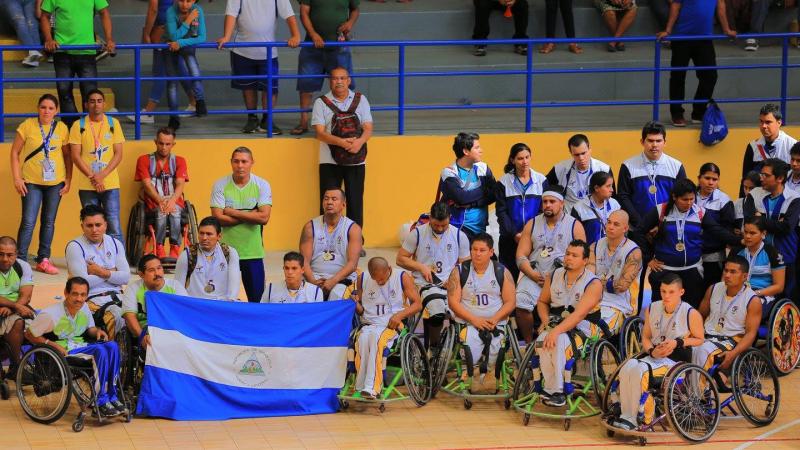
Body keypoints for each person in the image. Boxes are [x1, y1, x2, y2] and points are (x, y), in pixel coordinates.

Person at [609, 273, 704, 430]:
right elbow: (645, 337)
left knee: (640, 369)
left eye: (671, 292)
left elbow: (700, 339)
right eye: (663, 291)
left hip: (676, 362)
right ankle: (625, 414)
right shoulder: (652, 308)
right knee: (629, 365)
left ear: (681, 292)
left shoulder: (690, 313)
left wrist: (677, 342)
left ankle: (639, 417)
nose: (666, 296)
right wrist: (651, 351)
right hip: (654, 357)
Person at [26, 276, 126, 417]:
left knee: (112, 346)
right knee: (99, 351)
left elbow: (89, 328)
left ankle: (112, 395)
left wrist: (97, 331)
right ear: (66, 293)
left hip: (81, 346)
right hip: (65, 351)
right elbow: (29, 334)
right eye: (75, 294)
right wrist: (51, 344)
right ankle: (100, 400)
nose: (79, 299)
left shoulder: (84, 307)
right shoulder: (50, 315)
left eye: (83, 295)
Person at [633, 179, 739, 309]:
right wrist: (648, 258)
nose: (689, 203)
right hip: (665, 270)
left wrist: (739, 241)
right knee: (660, 308)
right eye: (684, 199)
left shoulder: (700, 212)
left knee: (690, 309)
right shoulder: (660, 210)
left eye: (692, 199)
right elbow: (638, 232)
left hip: (692, 271)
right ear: (674, 197)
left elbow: (717, 231)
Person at [533, 240, 602, 407]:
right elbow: (542, 302)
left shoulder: (593, 283)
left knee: (560, 340)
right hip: (558, 322)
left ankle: (558, 390)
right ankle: (550, 388)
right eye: (567, 254)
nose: (568, 258)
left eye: (574, 255)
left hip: (586, 326)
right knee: (542, 340)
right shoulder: (554, 275)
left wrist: (555, 332)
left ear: (585, 260)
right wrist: (545, 321)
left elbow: (578, 315)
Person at [217, 0, 300, 134]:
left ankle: (267, 120)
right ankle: (252, 118)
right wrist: (226, 37)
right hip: (242, 49)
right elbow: (231, 14)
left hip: (268, 52)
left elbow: (289, 14)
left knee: (270, 88)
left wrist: (296, 35)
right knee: (248, 87)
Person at [515, 187, 586, 344]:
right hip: (536, 276)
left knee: (565, 310)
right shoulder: (532, 224)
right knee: (520, 303)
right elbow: (520, 256)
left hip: (561, 278)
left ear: (561, 203)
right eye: (545, 202)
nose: (547, 205)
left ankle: (563, 341)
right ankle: (529, 343)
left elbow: (582, 258)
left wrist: (561, 273)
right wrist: (531, 274)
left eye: (552, 202)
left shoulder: (575, 225)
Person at [11, 94, 72, 274]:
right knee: (28, 221)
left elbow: (68, 156)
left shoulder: (61, 128)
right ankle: (20, 261)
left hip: (55, 183)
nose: (46, 111)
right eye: (43, 107)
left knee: (48, 222)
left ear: (56, 111)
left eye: (51, 108)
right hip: (31, 182)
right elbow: (15, 153)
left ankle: (43, 259)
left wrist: (68, 179)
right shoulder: (27, 126)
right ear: (38, 108)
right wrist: (17, 178)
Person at [396, 201, 469, 348]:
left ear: (450, 217)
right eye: (436, 225)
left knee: (466, 308)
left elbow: (466, 266)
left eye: (444, 225)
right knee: (436, 310)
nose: (440, 228)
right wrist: (420, 266)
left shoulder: (459, 235)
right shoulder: (417, 233)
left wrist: (455, 279)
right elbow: (400, 259)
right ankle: (434, 347)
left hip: (451, 283)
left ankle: (460, 344)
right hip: (424, 283)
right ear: (430, 218)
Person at [446, 233, 515, 385]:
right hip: (468, 323)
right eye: (474, 249)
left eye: (482, 250)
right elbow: (453, 302)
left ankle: (485, 373)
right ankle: (474, 372)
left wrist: (495, 319)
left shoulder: (502, 271)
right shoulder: (459, 271)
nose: (477, 253)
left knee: (496, 349)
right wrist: (474, 320)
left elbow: (510, 302)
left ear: (491, 252)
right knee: (471, 347)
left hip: (495, 323)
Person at [656, 0, 736, 127]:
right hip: (682, 37)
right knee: (678, 77)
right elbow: (675, 5)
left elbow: (720, 6)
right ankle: (677, 114)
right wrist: (668, 31)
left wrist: (726, 29)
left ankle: (699, 112)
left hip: (705, 38)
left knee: (710, 76)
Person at [311, 67, 372, 233]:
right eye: (335, 78)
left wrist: (359, 142)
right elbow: (319, 133)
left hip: (357, 160)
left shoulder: (361, 99)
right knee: (328, 202)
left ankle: (356, 241)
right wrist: (343, 143)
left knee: (355, 202)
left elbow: (368, 128)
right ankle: (324, 238)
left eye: (342, 78)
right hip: (329, 161)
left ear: (349, 80)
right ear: (330, 81)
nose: (339, 82)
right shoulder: (320, 102)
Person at [352, 257, 421, 399]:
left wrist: (400, 315)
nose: (379, 282)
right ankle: (361, 385)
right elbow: (360, 310)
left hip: (391, 325)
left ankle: (373, 387)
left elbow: (417, 304)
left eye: (382, 279)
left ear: (389, 269)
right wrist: (355, 304)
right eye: (376, 279)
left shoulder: (402, 277)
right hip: (369, 324)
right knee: (363, 341)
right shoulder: (362, 278)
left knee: (376, 341)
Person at [40, 0, 115, 128]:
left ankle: (89, 129)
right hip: (62, 52)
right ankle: (73, 129)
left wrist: (109, 39)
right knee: (64, 92)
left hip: (86, 51)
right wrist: (49, 39)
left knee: (90, 93)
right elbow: (44, 16)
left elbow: (105, 13)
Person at [210, 147, 272, 302]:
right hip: (225, 253)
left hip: (253, 253)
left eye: (244, 161)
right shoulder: (220, 184)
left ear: (252, 163)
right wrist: (252, 214)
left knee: (256, 301)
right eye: (236, 161)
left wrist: (232, 212)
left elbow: (264, 217)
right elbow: (218, 218)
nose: (240, 165)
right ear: (231, 163)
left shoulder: (262, 185)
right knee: (223, 299)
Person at [293, 0, 360, 136]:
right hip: (312, 46)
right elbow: (304, 12)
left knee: (343, 84)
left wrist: (349, 23)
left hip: (339, 46)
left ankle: (346, 121)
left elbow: (355, 9)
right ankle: (304, 122)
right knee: (306, 86)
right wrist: (313, 34)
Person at [69, 89, 125, 245]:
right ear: (86, 104)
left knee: (113, 224)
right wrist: (93, 177)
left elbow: (118, 154)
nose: (96, 104)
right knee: (91, 226)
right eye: (92, 101)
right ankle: (93, 259)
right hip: (87, 185)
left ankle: (118, 263)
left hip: (111, 184)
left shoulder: (113, 123)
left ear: (104, 103)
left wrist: (102, 175)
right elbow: (75, 156)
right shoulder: (78, 125)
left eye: (99, 101)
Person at [65, 205, 130, 339]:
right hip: (91, 299)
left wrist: (99, 271)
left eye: (98, 225)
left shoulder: (115, 243)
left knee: (142, 312)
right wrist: (112, 272)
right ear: (82, 226)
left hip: (119, 295)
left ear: (105, 225)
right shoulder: (75, 247)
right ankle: (118, 356)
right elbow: (82, 284)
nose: (94, 230)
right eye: (89, 225)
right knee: (118, 315)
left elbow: (126, 277)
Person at [127, 0, 197, 124]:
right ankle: (195, 102)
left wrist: (147, 33)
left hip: (164, 31)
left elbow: (153, 9)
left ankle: (149, 112)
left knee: (161, 69)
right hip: (176, 28)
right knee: (178, 66)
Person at [743, 158, 800, 301]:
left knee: (785, 300)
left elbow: (786, 228)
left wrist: (761, 219)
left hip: (785, 255)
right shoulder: (754, 194)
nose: (761, 178)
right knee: (756, 297)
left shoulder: (794, 198)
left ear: (780, 178)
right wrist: (775, 223)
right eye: (761, 174)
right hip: (758, 256)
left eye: (766, 175)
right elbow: (750, 222)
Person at [693, 256, 761, 372]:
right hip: (706, 336)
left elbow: (750, 334)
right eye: (726, 270)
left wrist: (733, 353)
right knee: (679, 345)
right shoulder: (713, 288)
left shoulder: (752, 300)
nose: (727, 275)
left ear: (744, 276)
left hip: (730, 341)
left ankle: (697, 388)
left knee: (702, 350)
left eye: (733, 272)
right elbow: (700, 316)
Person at [617, 121, 687, 228]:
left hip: (668, 226)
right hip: (637, 228)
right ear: (642, 142)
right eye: (650, 140)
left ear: (665, 142)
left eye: (658, 141)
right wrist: (641, 225)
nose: (654, 145)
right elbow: (623, 197)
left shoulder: (676, 166)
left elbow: (681, 197)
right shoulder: (628, 166)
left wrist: (665, 223)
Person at [134, 127, 189, 259]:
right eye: (161, 143)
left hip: (174, 201)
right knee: (161, 211)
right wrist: (161, 201)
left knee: (174, 211)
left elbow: (180, 184)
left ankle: (175, 248)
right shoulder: (144, 160)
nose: (164, 147)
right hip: (153, 203)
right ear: (155, 142)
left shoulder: (179, 161)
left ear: (173, 144)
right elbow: (146, 185)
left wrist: (171, 202)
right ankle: (159, 246)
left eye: (168, 144)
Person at [495, 143, 548, 280]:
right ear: (512, 160)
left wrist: (530, 233)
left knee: (536, 275)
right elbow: (501, 212)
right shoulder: (503, 182)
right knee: (508, 277)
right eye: (520, 158)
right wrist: (515, 234)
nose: (525, 162)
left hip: (535, 238)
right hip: (509, 238)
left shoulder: (541, 181)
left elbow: (543, 210)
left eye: (527, 157)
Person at [300, 187, 362, 301]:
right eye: (326, 199)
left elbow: (352, 264)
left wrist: (333, 281)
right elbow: (304, 261)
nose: (329, 202)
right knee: (310, 298)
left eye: (334, 199)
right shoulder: (310, 227)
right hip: (314, 278)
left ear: (343, 205)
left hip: (342, 279)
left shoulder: (353, 229)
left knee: (336, 298)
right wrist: (313, 281)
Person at [588, 210, 643, 327]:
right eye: (609, 222)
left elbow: (621, 287)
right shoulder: (595, 246)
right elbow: (588, 275)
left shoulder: (634, 252)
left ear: (625, 228)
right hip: (594, 297)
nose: (610, 227)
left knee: (594, 327)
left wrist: (595, 283)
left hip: (618, 302)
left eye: (616, 224)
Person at [439, 132, 497, 241]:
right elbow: (461, 198)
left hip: (481, 230)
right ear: (466, 151)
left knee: (489, 258)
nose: (481, 150)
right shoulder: (449, 172)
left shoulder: (483, 168)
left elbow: (494, 194)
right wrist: (484, 190)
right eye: (477, 147)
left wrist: (474, 203)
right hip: (458, 229)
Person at [122, 255, 187, 349]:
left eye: (159, 268)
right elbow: (129, 316)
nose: (157, 273)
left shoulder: (175, 286)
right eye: (151, 270)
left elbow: (185, 311)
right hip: (146, 331)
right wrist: (142, 337)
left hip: (172, 329)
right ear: (141, 274)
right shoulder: (133, 289)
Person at [163, 0, 208, 130]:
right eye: (181, 0)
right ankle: (173, 117)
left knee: (195, 72)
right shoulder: (171, 11)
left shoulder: (198, 10)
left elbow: (202, 37)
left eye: (188, 1)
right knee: (172, 82)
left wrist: (181, 43)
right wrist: (188, 21)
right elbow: (173, 36)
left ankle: (200, 102)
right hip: (170, 47)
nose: (184, 4)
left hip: (186, 45)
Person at [175, 216, 242, 301]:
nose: (204, 238)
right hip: (195, 305)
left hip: (220, 304)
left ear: (219, 236)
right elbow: (178, 287)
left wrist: (229, 303)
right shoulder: (187, 255)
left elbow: (234, 287)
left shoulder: (230, 253)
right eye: (201, 233)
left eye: (209, 234)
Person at [546, 134, 613, 212]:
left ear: (590, 149)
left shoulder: (604, 169)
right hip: (569, 215)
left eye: (583, 153)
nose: (581, 158)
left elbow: (612, 196)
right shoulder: (560, 169)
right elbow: (545, 189)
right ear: (571, 153)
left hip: (594, 215)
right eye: (577, 155)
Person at [695, 163, 735, 290]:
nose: (711, 182)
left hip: (714, 256)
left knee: (710, 290)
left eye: (715, 179)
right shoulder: (690, 197)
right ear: (699, 178)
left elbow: (727, 230)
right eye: (707, 178)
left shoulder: (724, 200)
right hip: (690, 254)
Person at [0, 236, 35, 376]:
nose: (5, 259)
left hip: (16, 307)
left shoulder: (22, 266)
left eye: (9, 255)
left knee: (45, 323)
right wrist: (15, 306)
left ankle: (47, 370)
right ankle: (17, 367)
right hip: (12, 309)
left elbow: (26, 295)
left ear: (16, 254)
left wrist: (12, 308)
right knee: (18, 322)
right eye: (1, 254)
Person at [737, 216, 785, 308]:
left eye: (752, 233)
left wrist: (754, 294)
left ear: (763, 234)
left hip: (763, 295)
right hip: (739, 293)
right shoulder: (738, 252)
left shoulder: (773, 253)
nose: (747, 236)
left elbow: (779, 286)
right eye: (746, 232)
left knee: (749, 307)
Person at [741, 104, 797, 181]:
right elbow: (746, 179)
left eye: (768, 122)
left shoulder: (792, 145)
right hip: (759, 192)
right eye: (761, 121)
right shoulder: (753, 146)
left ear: (779, 123)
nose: (763, 126)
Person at [571, 171, 621, 245]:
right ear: (596, 188)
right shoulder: (579, 208)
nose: (612, 190)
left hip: (612, 252)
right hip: (590, 253)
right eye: (608, 186)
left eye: (612, 186)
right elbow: (574, 236)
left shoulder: (615, 204)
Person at [2, 0, 43, 66]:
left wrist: (38, 5)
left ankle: (35, 56)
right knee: (20, 21)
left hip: (30, 1)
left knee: (32, 23)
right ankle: (33, 52)